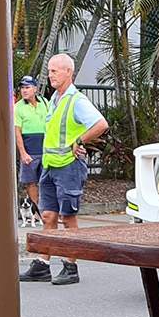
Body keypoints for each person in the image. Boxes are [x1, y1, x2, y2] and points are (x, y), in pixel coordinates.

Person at [19, 53, 107, 285]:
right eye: (49, 71)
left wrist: (79, 141)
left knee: (68, 217)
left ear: (69, 72)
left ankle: (70, 266)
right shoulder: (54, 99)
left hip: (68, 167)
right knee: (48, 215)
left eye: (54, 71)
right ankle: (43, 264)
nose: (50, 75)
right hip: (50, 166)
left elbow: (100, 124)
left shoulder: (76, 100)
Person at [13, 74, 49, 214]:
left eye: (27, 87)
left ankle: (48, 210)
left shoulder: (45, 102)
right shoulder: (18, 107)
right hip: (30, 149)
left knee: (47, 181)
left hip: (46, 148)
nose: (24, 90)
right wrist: (23, 153)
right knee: (31, 182)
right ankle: (37, 212)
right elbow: (17, 131)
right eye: (22, 88)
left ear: (35, 89)